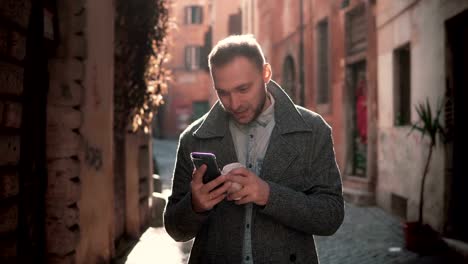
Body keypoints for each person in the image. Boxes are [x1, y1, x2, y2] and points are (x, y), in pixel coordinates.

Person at [164, 34, 344, 264]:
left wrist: (268, 194)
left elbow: (331, 215)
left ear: (265, 73)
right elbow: (175, 229)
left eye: (243, 89)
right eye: (223, 93)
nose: (234, 103)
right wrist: (195, 206)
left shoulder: (313, 130)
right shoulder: (193, 138)